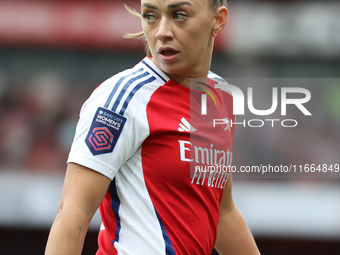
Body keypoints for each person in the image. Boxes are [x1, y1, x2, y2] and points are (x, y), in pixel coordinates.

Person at [45, 0, 260, 254]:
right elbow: (72, 213)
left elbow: (223, 213)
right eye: (150, 16)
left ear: (219, 20)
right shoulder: (122, 99)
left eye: (179, 15)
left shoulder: (220, 97)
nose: (162, 31)